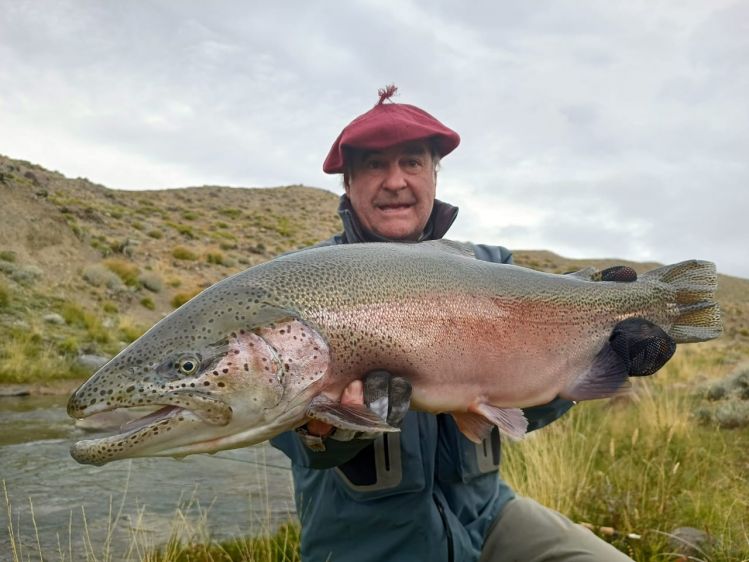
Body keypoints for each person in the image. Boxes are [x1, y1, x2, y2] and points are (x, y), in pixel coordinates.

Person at [271, 86, 673, 562]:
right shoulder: (299, 281)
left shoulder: (493, 267)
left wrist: (592, 355)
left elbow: (527, 409)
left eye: (413, 163)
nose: (396, 181)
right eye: (376, 165)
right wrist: (328, 430)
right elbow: (282, 430)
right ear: (349, 182)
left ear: (434, 176)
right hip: (368, 540)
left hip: (486, 518)